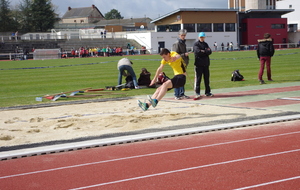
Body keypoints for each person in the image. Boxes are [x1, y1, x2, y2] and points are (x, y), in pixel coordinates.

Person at [193, 32, 213, 99]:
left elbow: (210, 51)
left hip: (206, 64)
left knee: (207, 79)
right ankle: (197, 92)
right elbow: (197, 52)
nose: (202, 38)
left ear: (204, 37)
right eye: (201, 37)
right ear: (199, 37)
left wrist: (203, 51)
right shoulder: (196, 44)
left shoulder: (205, 44)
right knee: (198, 79)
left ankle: (207, 92)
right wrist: (205, 51)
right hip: (199, 64)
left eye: (203, 37)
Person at [172, 29, 190, 100]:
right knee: (178, 78)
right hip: (178, 63)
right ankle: (177, 94)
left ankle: (182, 93)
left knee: (182, 78)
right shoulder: (177, 43)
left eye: (184, 35)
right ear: (179, 35)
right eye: (182, 35)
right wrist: (184, 54)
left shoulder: (183, 43)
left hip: (183, 63)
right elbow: (175, 55)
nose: (183, 36)